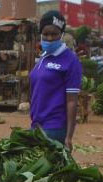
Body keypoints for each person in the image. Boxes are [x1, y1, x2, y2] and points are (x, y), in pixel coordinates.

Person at [30, 11, 81, 152]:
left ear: (62, 34)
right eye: (46, 34)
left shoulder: (70, 60)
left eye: (54, 34)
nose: (50, 38)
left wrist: (69, 137)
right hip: (36, 125)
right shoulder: (43, 58)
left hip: (54, 127)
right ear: (41, 34)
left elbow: (72, 101)